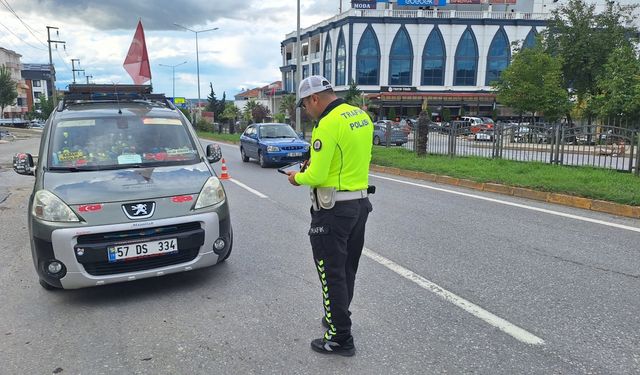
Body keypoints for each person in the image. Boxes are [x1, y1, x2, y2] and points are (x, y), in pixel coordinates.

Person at [285, 75, 374, 357]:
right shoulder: (360, 116)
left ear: (314, 98)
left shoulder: (327, 124)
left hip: (332, 210)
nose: (306, 111)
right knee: (347, 268)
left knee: (330, 273)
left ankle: (339, 338)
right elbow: (346, 158)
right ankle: (339, 316)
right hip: (359, 204)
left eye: (304, 105)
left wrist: (297, 177)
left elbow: (318, 175)